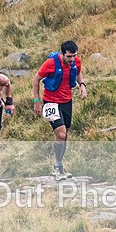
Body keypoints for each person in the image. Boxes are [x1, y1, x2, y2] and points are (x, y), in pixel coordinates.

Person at [32, 40, 87, 180]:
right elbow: (35, 79)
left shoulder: (76, 61)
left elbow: (78, 72)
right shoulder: (51, 63)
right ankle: (58, 167)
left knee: (65, 135)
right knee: (61, 134)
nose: (72, 59)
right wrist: (37, 101)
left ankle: (59, 164)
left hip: (66, 101)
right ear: (62, 54)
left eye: (74, 56)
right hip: (50, 102)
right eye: (69, 57)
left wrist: (82, 85)